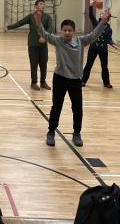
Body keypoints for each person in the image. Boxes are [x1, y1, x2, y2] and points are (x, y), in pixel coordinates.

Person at [34, 8, 111, 147]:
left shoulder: (81, 41)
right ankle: (51, 132)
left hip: (75, 81)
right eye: (65, 30)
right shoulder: (57, 40)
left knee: (77, 108)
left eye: (70, 30)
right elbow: (44, 34)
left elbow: (94, 34)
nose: (67, 32)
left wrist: (104, 21)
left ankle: (76, 133)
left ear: (73, 31)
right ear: (61, 31)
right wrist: (38, 21)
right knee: (56, 107)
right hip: (60, 79)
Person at [4, 0, 53, 90]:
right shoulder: (31, 16)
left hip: (43, 45)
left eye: (43, 4)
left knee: (43, 64)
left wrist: (45, 37)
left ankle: (43, 82)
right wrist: (9, 27)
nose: (43, 6)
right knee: (34, 64)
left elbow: (50, 28)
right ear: (36, 6)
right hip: (33, 44)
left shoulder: (47, 17)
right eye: (41, 4)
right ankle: (34, 82)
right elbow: (20, 23)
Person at [82, 0, 118, 88]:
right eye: (101, 14)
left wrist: (112, 43)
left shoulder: (109, 29)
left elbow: (108, 39)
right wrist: (90, 5)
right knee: (88, 64)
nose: (102, 15)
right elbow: (90, 15)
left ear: (107, 18)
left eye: (104, 14)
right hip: (93, 47)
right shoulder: (95, 23)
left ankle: (106, 83)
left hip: (103, 49)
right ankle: (83, 81)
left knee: (104, 66)